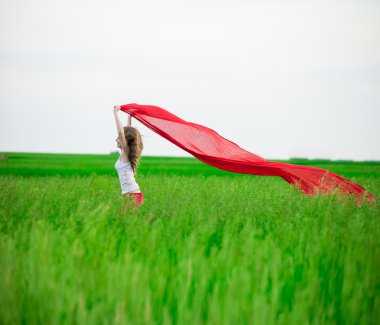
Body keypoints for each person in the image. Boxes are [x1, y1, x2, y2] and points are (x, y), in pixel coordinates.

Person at [113, 105, 144, 217]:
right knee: (124, 221)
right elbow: (126, 133)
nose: (117, 139)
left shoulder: (126, 152)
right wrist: (129, 118)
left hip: (132, 195)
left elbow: (122, 133)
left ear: (125, 140)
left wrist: (115, 112)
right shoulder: (127, 153)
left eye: (119, 138)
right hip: (130, 194)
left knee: (121, 220)